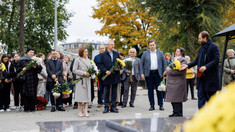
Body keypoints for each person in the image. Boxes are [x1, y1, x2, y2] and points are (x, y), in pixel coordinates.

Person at [180, 31, 220, 109]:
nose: (198, 40)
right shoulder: (201, 48)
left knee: (212, 101)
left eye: (199, 38)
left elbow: (216, 60)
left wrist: (205, 67)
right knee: (201, 98)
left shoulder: (214, 47)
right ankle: (201, 118)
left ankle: (213, 119)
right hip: (201, 78)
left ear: (205, 38)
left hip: (211, 79)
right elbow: (197, 60)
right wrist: (187, 65)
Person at [140, 40, 167, 111]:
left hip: (158, 73)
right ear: (148, 46)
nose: (152, 46)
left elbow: (164, 63)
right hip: (149, 74)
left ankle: (161, 105)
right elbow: (141, 64)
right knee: (150, 90)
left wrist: (165, 72)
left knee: (160, 90)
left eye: (153, 45)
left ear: (155, 45)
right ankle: (152, 105)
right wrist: (141, 73)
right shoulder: (145, 53)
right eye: (150, 45)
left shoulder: (160, 53)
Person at [165, 47, 187, 117]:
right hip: (172, 82)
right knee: (173, 98)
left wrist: (169, 70)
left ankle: (178, 113)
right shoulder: (175, 60)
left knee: (177, 99)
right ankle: (175, 112)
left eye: (177, 51)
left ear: (181, 53)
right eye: (176, 51)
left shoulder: (183, 60)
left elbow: (180, 71)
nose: (176, 52)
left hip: (178, 82)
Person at [100, 40, 120, 113]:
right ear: (107, 45)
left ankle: (113, 107)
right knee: (106, 92)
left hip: (115, 75)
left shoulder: (116, 53)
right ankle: (106, 107)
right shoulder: (103, 54)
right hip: (107, 75)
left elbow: (119, 63)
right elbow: (100, 65)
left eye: (113, 44)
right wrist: (105, 71)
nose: (113, 46)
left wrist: (118, 68)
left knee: (114, 92)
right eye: (111, 44)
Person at [73, 47, 93, 117]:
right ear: (81, 52)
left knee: (87, 95)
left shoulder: (89, 60)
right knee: (80, 96)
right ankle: (80, 111)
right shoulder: (77, 60)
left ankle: (86, 111)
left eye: (87, 52)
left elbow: (91, 69)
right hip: (80, 80)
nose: (86, 53)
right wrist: (83, 73)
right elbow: (74, 70)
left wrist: (91, 73)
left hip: (87, 79)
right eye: (85, 52)